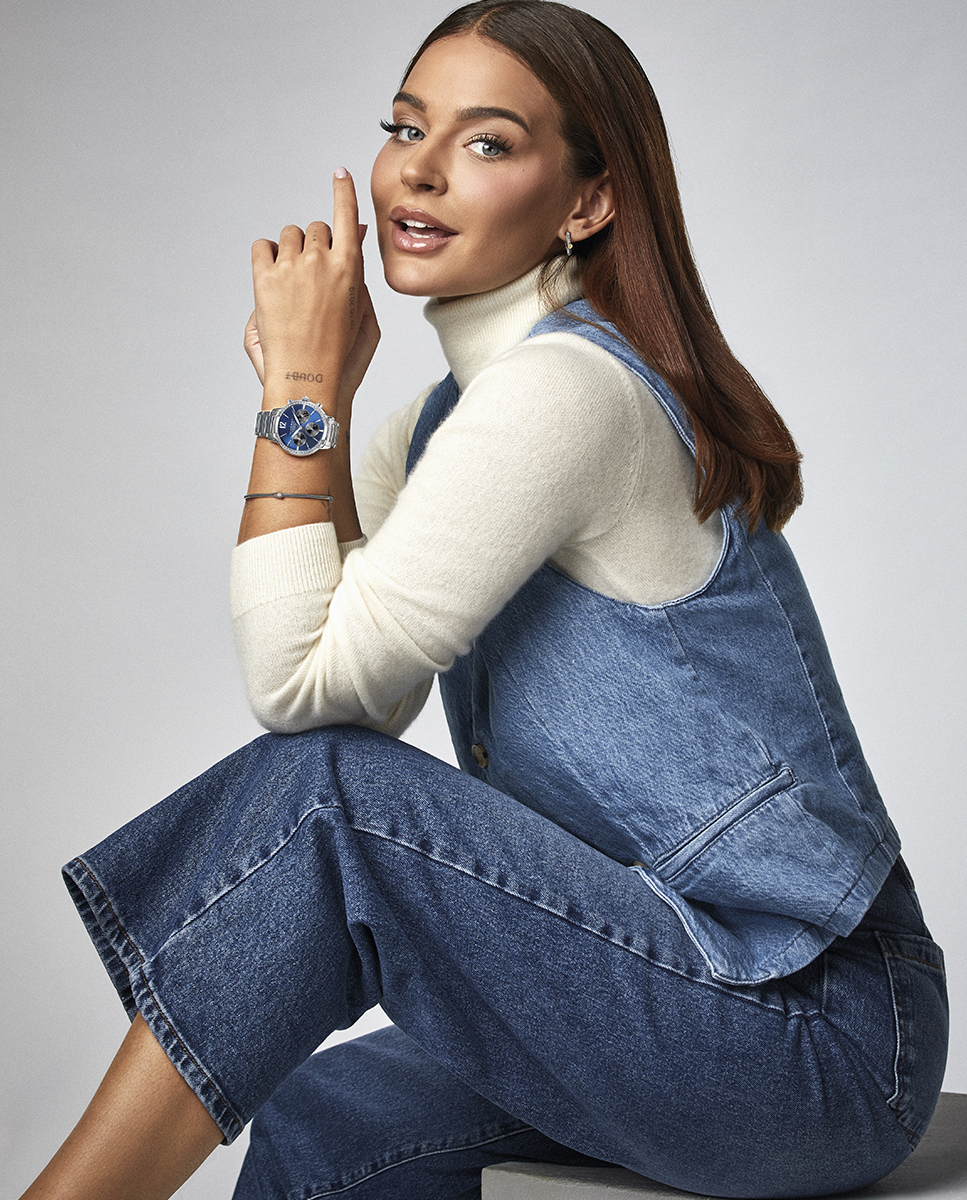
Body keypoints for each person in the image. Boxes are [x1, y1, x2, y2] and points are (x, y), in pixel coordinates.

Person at [22, 3, 948, 1198]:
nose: (419, 168)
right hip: (661, 977)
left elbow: (301, 699)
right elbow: (349, 692)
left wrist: (298, 385)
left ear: (586, 202)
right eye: (406, 127)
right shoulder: (443, 424)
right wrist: (324, 408)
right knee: (325, 1115)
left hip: (814, 1030)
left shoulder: (570, 390)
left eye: (486, 142)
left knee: (329, 801)